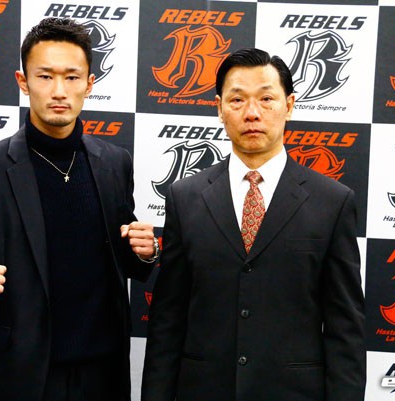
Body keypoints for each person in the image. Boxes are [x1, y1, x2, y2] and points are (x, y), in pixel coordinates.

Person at [0, 17, 158, 401]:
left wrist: (145, 252)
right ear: (23, 81)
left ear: (89, 84)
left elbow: (122, 256)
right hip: (16, 375)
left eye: (72, 77)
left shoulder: (115, 162)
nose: (59, 91)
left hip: (102, 374)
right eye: (45, 76)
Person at [141, 48, 365, 401]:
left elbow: (345, 328)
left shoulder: (332, 201)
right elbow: (168, 319)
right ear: (219, 108)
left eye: (266, 98)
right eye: (237, 100)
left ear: (289, 105)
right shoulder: (185, 197)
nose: (252, 113)